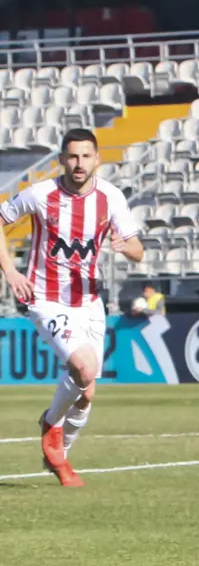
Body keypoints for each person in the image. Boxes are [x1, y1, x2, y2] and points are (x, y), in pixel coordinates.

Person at [0, 128, 145, 486]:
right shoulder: (40, 194)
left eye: (85, 156)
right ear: (62, 159)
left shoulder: (110, 198)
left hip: (89, 300)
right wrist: (10, 272)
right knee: (84, 368)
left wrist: (125, 247)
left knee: (87, 390)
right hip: (46, 297)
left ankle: (59, 453)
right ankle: (51, 426)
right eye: (72, 156)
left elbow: (138, 250)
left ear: (97, 159)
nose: (79, 163)